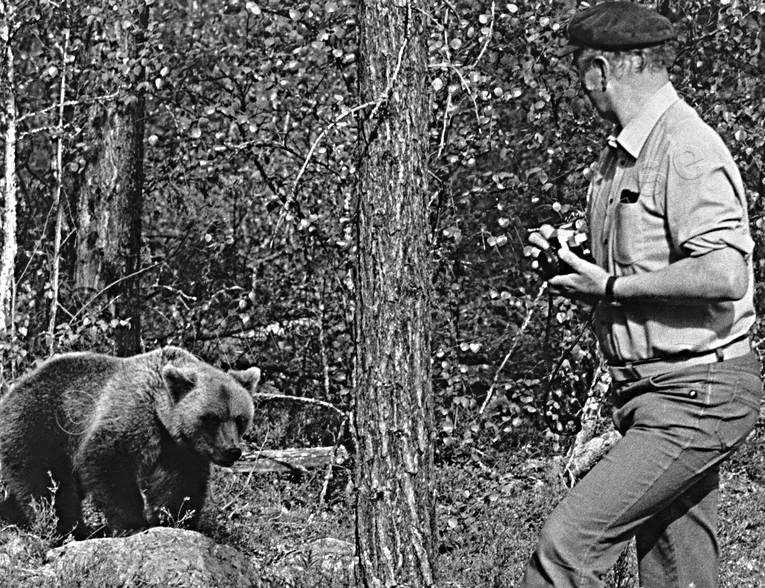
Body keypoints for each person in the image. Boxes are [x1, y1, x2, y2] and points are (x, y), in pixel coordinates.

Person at [521, 2, 762, 587]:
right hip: (654, 393)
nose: (582, 86)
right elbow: (651, 261)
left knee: (565, 550)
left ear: (601, 69)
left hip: (695, 394)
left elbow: (725, 273)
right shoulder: (623, 153)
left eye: (582, 69)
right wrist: (577, 260)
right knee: (679, 575)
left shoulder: (685, 147)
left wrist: (609, 285)